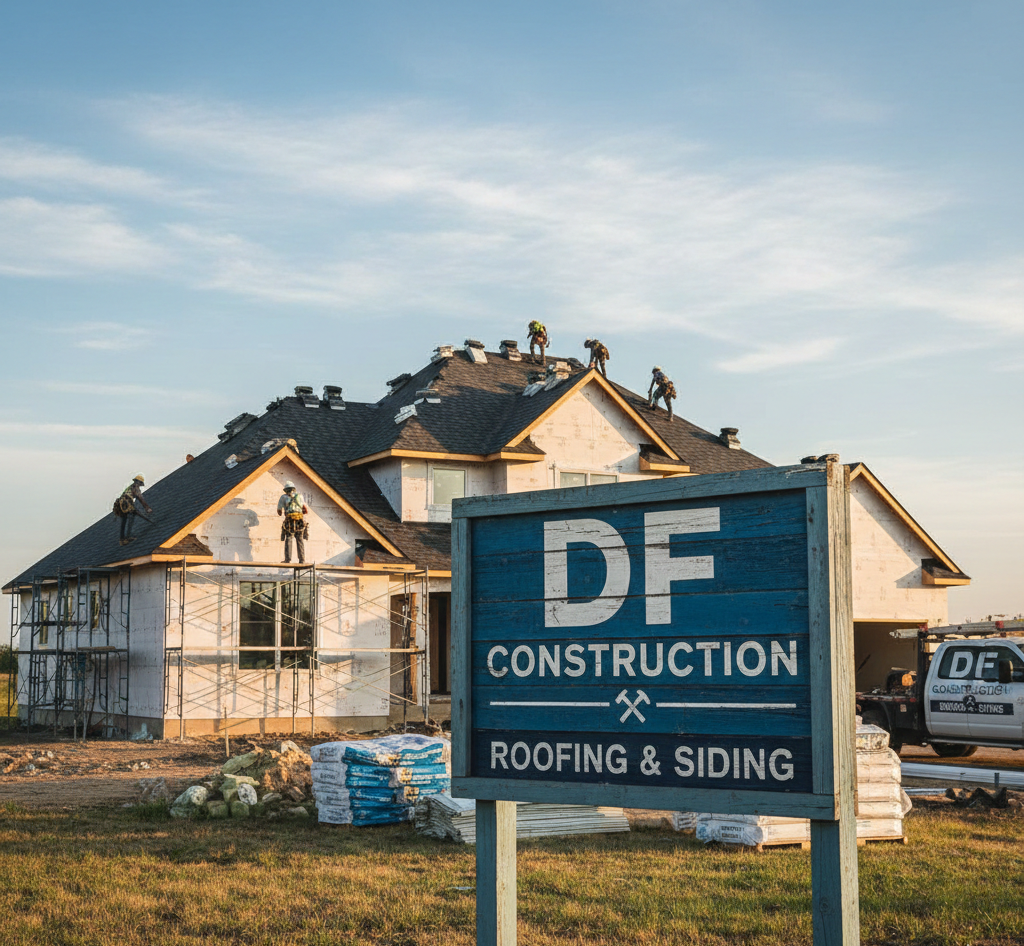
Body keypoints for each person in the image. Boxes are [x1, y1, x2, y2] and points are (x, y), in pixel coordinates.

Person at [113, 474, 152, 545]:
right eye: (140, 483)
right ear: (139, 482)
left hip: (121, 505)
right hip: (126, 504)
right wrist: (147, 508)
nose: (140, 485)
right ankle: (128, 537)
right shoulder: (135, 488)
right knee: (131, 517)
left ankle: (122, 539)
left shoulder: (130, 487)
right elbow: (140, 498)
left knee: (124, 520)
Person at [277, 481, 309, 564]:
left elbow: (279, 511)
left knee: (289, 538)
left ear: (286, 490)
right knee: (300, 539)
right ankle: (302, 560)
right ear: (294, 489)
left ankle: (287, 559)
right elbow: (305, 510)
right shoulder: (300, 496)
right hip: (300, 521)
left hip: (289, 520)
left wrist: (283, 511)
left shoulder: (283, 497)